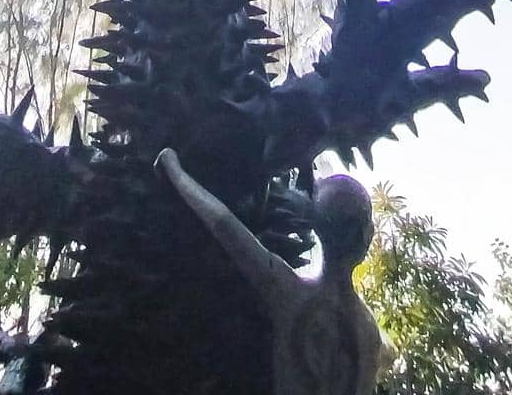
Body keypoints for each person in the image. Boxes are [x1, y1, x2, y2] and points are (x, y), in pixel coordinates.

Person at [155, 149, 389, 395]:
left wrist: (175, 171)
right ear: (367, 234)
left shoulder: (287, 291)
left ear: (317, 226)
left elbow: (223, 223)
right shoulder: (368, 331)